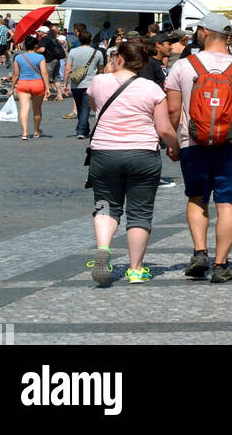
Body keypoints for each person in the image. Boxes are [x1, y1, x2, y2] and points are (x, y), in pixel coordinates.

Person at [166, 13, 232, 283]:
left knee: (197, 198)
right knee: (227, 204)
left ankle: (199, 252)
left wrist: (173, 141)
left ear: (204, 32)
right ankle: (220, 265)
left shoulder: (183, 66)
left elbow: (173, 110)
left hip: (193, 143)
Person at [85, 38, 180, 286]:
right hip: (142, 154)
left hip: (104, 153)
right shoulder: (152, 89)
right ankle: (136, 270)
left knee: (106, 205)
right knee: (139, 212)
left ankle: (104, 249)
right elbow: (164, 128)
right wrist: (175, 147)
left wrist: (108, 72)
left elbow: (94, 107)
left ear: (119, 57)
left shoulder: (99, 81)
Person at [8, 35, 51, 138]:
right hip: (37, 83)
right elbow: (44, 73)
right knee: (37, 109)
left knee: (24, 109)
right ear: (36, 45)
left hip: (23, 84)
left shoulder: (18, 57)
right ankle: (36, 130)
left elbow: (16, 74)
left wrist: (12, 88)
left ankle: (24, 132)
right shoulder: (40, 57)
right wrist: (47, 87)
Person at [64, 31, 104, 137]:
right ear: (91, 39)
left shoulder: (72, 52)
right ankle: (82, 130)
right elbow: (101, 71)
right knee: (85, 108)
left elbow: (67, 68)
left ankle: (82, 129)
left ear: (79, 39)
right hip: (91, 83)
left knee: (80, 107)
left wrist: (64, 83)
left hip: (75, 84)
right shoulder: (98, 53)